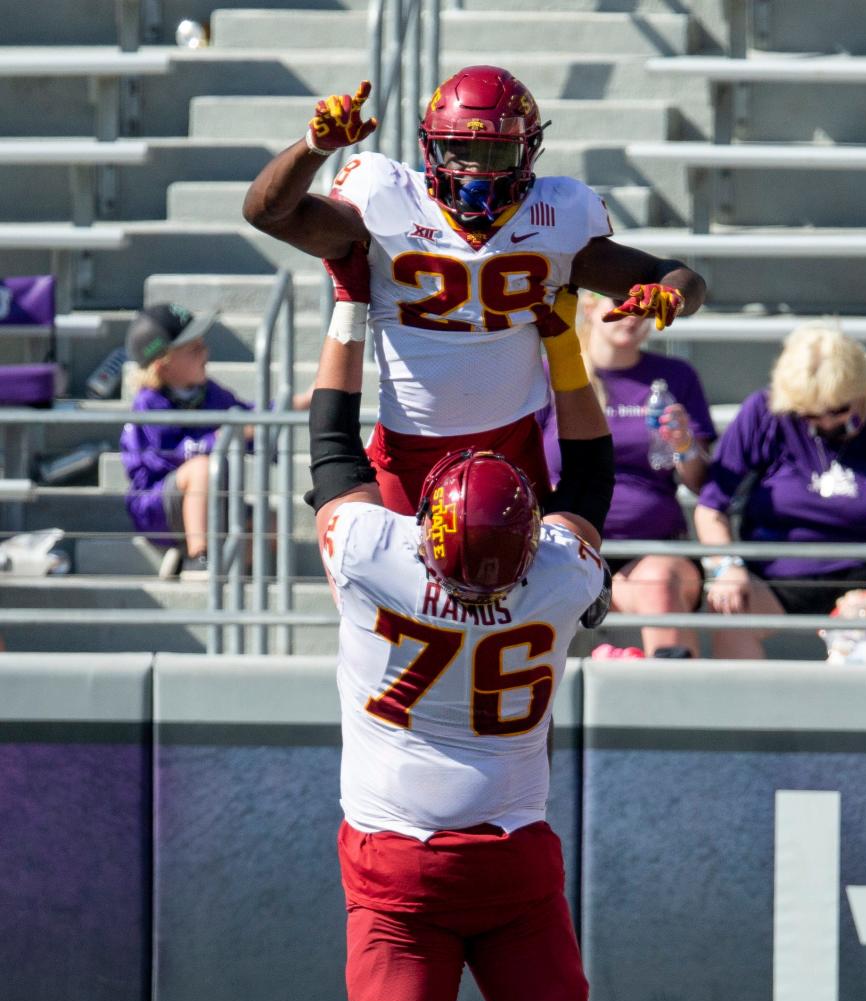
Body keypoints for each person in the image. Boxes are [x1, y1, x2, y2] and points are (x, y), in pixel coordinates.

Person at [307, 290, 673, 1001]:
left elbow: (333, 444)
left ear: (433, 529)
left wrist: (347, 313)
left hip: (397, 863)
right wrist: (559, 332)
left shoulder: (376, 557)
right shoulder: (558, 579)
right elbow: (593, 473)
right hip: (512, 855)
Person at [243, 69, 706, 514]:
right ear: (430, 147)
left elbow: (674, 274)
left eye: (495, 155)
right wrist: (312, 148)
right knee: (389, 586)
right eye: (460, 151)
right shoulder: (388, 198)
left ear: (529, 153)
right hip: (407, 447)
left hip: (511, 446)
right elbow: (268, 213)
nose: (475, 173)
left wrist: (674, 294)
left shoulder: (555, 218)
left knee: (517, 590)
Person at [694, 324, 866, 662]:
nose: (826, 423)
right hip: (783, 573)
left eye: (838, 411)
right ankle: (744, 712)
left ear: (863, 391)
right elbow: (710, 507)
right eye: (809, 415)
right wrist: (727, 567)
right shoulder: (764, 413)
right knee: (730, 604)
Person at [541, 290, 715, 656]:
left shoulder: (674, 376)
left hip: (650, 547)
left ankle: (672, 698)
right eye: (620, 307)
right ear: (589, 308)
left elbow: (700, 482)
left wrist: (684, 445)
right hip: (562, 547)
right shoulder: (551, 374)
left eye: (644, 309)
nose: (633, 317)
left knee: (658, 581)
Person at [120, 303, 312, 577]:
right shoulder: (149, 403)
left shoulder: (208, 392)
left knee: (271, 525)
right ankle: (198, 558)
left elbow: (248, 417)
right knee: (201, 468)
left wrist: (298, 402)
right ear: (163, 365)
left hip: (213, 500)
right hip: (158, 507)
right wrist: (224, 436)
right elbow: (167, 455)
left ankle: (211, 564)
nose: (206, 353)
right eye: (193, 349)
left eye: (203, 344)